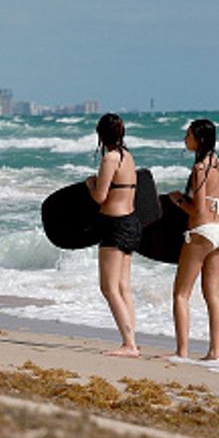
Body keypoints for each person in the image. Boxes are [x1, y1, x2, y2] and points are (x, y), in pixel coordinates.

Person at [168, 118, 219, 360]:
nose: (185, 139)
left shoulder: (200, 169)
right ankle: (215, 352)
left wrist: (178, 200)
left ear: (199, 139)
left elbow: (199, 211)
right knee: (212, 294)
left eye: (189, 135)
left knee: (181, 294)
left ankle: (182, 352)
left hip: (202, 232)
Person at [85, 113, 141, 357]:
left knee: (108, 288)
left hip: (114, 225)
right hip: (131, 222)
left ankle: (128, 344)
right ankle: (132, 341)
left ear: (101, 135)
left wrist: (90, 184)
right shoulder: (128, 157)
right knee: (123, 287)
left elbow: (100, 197)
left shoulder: (110, 158)